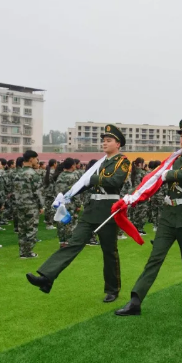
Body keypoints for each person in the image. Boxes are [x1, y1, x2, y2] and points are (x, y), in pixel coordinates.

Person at [27, 125, 131, 303]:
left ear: (118, 144)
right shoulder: (100, 163)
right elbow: (83, 183)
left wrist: (94, 178)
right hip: (92, 208)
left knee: (109, 251)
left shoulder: (122, 161)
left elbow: (116, 181)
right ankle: (47, 277)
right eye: (103, 140)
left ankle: (112, 289)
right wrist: (66, 194)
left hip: (108, 208)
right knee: (73, 243)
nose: (104, 143)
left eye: (109, 140)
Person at [115, 119, 182, 318]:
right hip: (168, 216)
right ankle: (135, 300)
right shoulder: (173, 160)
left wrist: (166, 174)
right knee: (155, 258)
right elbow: (155, 179)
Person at [13, 150, 44, 258]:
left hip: (20, 204)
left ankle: (22, 251)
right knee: (31, 229)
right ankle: (28, 251)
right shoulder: (33, 174)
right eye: (36, 158)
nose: (37, 161)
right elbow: (38, 192)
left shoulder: (18, 173)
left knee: (22, 229)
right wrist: (41, 205)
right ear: (31, 159)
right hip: (31, 205)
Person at [53, 158, 81, 248]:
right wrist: (78, 204)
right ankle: (69, 242)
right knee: (70, 222)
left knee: (61, 223)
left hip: (60, 202)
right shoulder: (73, 176)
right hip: (70, 203)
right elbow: (75, 192)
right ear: (72, 165)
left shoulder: (60, 175)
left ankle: (62, 242)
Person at [43, 159, 58, 230]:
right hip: (52, 192)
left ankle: (47, 220)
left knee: (47, 207)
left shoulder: (46, 172)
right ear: (54, 164)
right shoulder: (53, 172)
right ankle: (50, 223)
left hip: (46, 192)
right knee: (52, 208)